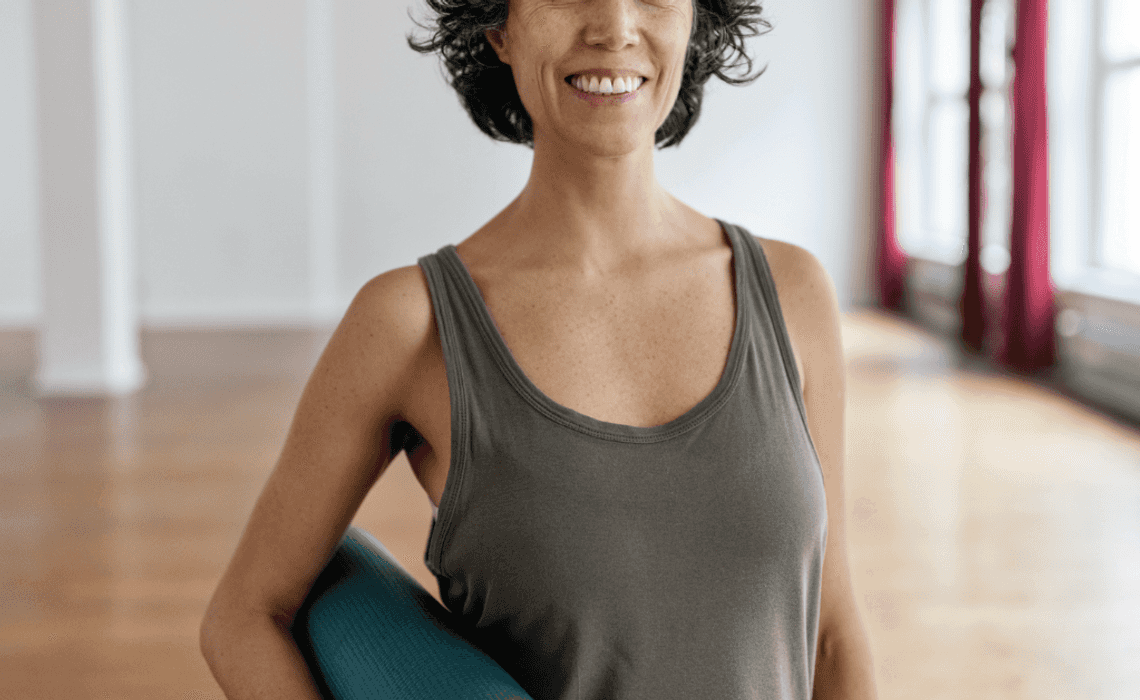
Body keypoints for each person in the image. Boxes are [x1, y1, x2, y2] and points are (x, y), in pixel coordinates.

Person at [199, 0, 877, 698]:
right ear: (499, 26)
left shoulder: (792, 293)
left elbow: (831, 634)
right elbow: (245, 615)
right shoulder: (411, 324)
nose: (614, 27)